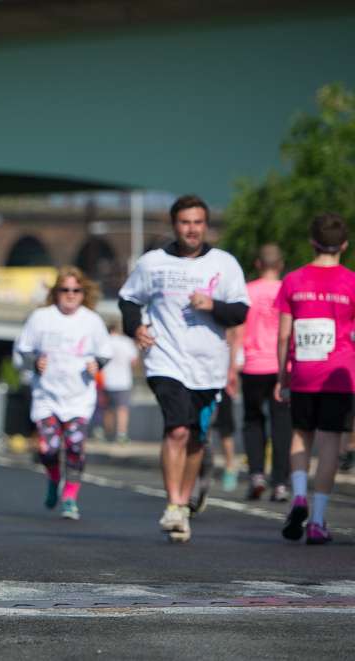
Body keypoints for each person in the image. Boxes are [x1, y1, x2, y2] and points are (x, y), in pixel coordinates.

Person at [118, 195, 248, 543]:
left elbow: (239, 312)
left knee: (197, 438)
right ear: (175, 225)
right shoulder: (153, 263)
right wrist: (136, 327)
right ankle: (174, 503)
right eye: (185, 222)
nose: (192, 229)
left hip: (208, 367)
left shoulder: (224, 264)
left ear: (206, 226)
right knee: (177, 429)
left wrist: (212, 305)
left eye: (198, 223)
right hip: (165, 359)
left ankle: (185, 501)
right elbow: (129, 298)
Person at [274, 213, 355, 545]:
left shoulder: (293, 280)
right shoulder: (351, 282)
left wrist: (282, 376)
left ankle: (298, 495)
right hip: (340, 373)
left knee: (301, 434)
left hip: (304, 371)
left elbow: (283, 335)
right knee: (331, 442)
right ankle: (318, 520)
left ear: (312, 242)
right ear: (344, 245)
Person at [14, 266, 112, 521]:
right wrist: (34, 362)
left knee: (75, 446)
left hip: (79, 397)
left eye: (76, 290)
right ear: (56, 292)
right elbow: (23, 350)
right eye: (65, 290)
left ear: (84, 293)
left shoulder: (92, 320)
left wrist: (97, 364)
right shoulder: (40, 318)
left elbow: (105, 352)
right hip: (46, 395)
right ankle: (53, 478)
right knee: (48, 448)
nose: (70, 295)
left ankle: (70, 497)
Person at [234, 244, 291, 501]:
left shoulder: (247, 291)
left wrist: (232, 367)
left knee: (253, 421)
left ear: (258, 264)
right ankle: (280, 483)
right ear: (280, 265)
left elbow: (237, 331)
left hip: (253, 365)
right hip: (282, 367)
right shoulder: (288, 290)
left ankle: (257, 474)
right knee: (282, 425)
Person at [100, 322, 138, 444]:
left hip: (106, 380)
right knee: (123, 409)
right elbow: (134, 362)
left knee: (108, 409)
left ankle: (108, 434)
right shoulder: (126, 342)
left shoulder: (104, 341)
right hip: (124, 381)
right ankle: (121, 435)